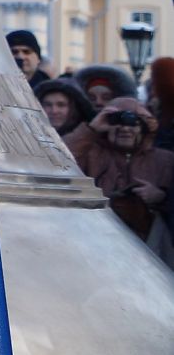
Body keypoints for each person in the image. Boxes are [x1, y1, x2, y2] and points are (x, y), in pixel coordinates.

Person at [65, 98, 174, 246]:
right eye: (117, 122)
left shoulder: (165, 160)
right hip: (96, 238)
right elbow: (58, 160)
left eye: (133, 123)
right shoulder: (91, 153)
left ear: (145, 127)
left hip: (150, 246)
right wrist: (91, 130)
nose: (125, 128)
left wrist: (161, 197)